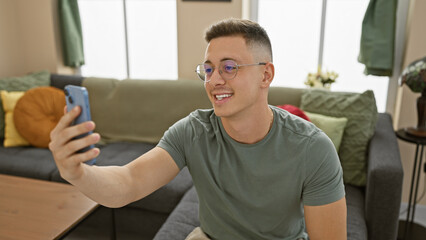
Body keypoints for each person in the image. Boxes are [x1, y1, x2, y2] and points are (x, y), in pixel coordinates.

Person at [49, 18, 346, 240]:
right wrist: (77, 172)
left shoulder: (313, 148)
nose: (214, 79)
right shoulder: (194, 131)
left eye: (229, 67)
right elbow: (128, 182)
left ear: (265, 74)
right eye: (208, 69)